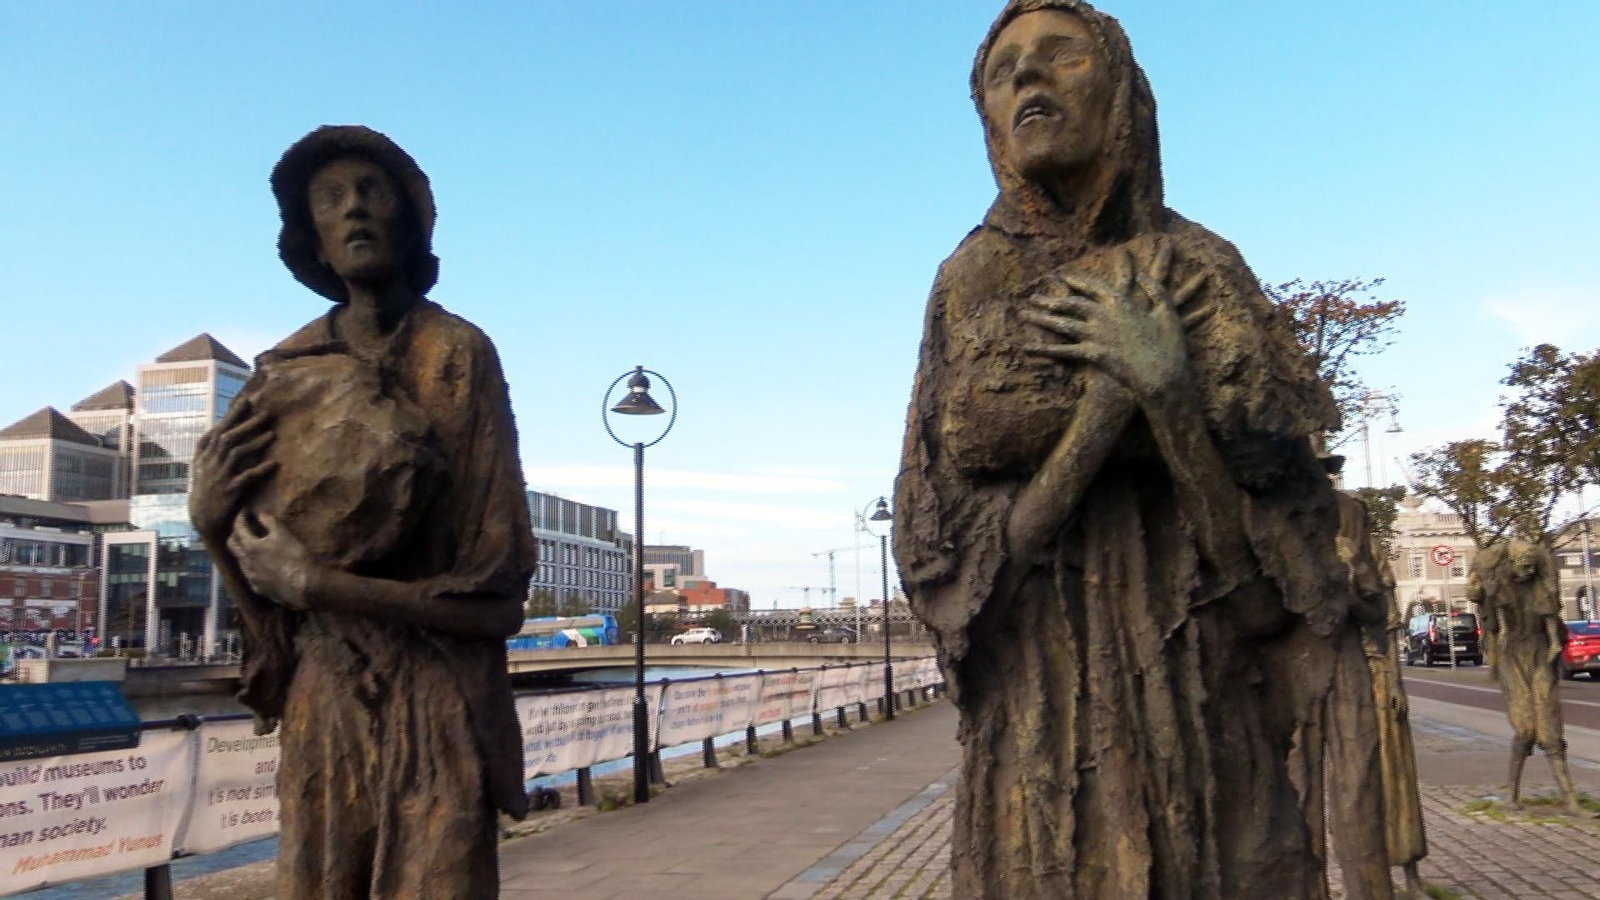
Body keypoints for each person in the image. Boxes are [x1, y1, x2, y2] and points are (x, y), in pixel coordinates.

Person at [894, 2, 1364, 896]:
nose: (1029, 78)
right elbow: (963, 576)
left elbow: (1266, 602)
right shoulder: (971, 282)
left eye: (1060, 56)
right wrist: (1109, 406)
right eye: (1004, 71)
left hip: (1207, 714)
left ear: (1121, 91)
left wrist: (1170, 398)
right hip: (1044, 732)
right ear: (985, 115)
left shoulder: (1203, 267)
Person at [189, 126, 535, 899]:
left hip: (437, 699)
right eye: (330, 199)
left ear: (412, 216)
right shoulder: (285, 371)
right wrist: (213, 526)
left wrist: (323, 586)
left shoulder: (458, 355)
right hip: (326, 704)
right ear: (309, 232)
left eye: (372, 192)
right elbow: (272, 615)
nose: (354, 212)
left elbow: (497, 604)